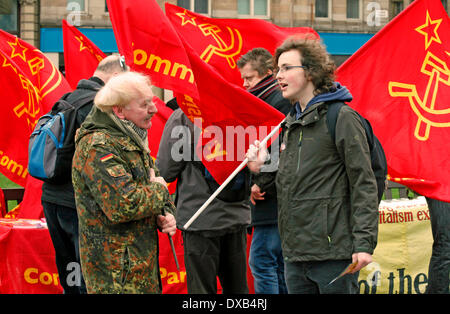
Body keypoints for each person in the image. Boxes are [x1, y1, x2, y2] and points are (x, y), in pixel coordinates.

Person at [246, 36, 379, 294]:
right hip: (295, 256)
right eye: (278, 69)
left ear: (310, 72)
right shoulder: (290, 124)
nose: (278, 76)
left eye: (286, 68)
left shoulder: (340, 117)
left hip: (334, 255)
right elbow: (285, 183)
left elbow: (364, 182)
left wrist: (363, 243)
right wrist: (260, 167)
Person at [71, 71, 176, 294]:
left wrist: (166, 214)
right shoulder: (99, 146)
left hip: (137, 267)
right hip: (115, 276)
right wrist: (160, 191)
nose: (154, 110)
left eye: (152, 102)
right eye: (144, 104)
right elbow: (123, 204)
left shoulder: (131, 138)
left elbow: (150, 182)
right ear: (119, 110)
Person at [41, 54, 128, 294]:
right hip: (77, 201)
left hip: (51, 196)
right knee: (88, 273)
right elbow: (103, 158)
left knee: (69, 269)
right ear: (116, 77)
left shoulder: (67, 98)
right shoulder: (97, 105)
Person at [156, 106, 251, 294]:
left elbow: (166, 171)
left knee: (201, 290)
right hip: (236, 215)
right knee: (238, 290)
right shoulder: (237, 108)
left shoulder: (184, 117)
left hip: (199, 217)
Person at [237, 48, 290, 294]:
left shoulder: (276, 102)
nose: (244, 84)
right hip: (273, 197)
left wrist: (260, 182)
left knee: (262, 261)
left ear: (267, 74)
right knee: (276, 265)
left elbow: (281, 149)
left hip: (273, 198)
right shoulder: (264, 100)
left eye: (249, 78)